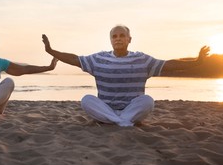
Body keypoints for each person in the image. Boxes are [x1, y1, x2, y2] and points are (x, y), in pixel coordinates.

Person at [42, 25, 210, 127]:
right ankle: (122, 122)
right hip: (106, 108)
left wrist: (196, 61)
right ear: (110, 40)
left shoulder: (142, 60)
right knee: (86, 99)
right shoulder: (98, 59)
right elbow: (74, 59)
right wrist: (51, 50)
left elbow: (169, 64)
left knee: (148, 101)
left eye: (122, 35)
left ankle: (117, 120)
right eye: (114, 36)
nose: (118, 39)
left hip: (131, 110)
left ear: (130, 39)